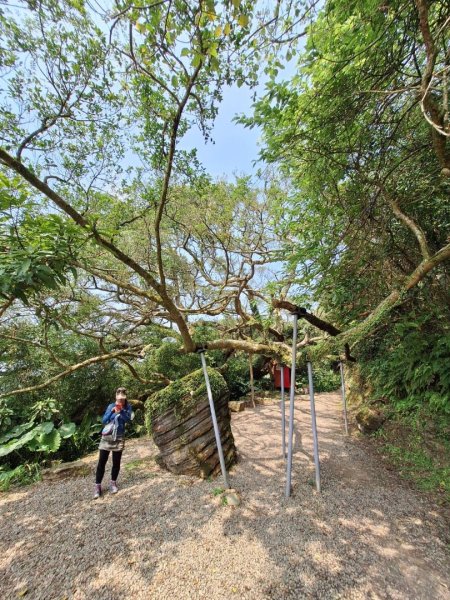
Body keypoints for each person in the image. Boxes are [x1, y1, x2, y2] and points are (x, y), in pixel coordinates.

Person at [94, 387, 132, 499]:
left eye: (122, 399)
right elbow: (104, 420)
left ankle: (113, 483)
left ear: (125, 398)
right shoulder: (111, 406)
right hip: (107, 437)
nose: (121, 401)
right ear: (116, 397)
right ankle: (97, 486)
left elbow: (128, 420)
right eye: (119, 399)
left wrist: (122, 411)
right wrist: (112, 412)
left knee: (116, 462)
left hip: (119, 437)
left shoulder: (128, 407)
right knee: (102, 462)